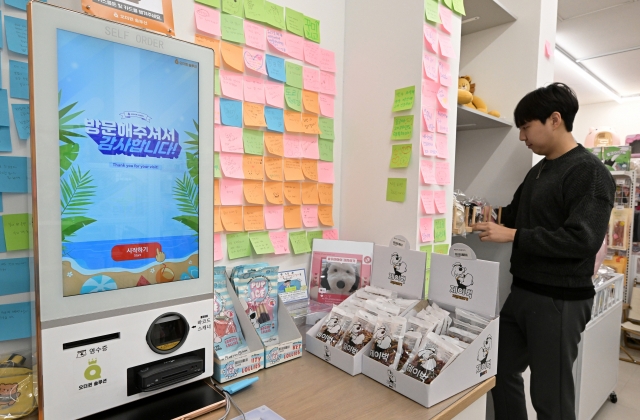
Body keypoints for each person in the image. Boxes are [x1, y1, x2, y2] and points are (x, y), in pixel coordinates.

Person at [472, 83, 615, 420]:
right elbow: (517, 214)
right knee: (497, 370)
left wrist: (511, 234)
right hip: (522, 291)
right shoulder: (538, 171)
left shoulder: (590, 172)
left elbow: (582, 239)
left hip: (560, 300)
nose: (523, 137)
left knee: (550, 397)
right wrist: (489, 215)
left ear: (554, 119)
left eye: (525, 127)